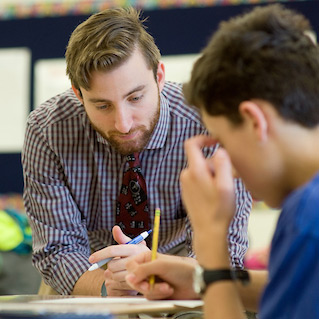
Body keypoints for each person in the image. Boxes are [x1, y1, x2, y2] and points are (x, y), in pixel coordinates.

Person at [22, 7, 252, 297]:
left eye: (135, 97)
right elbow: (57, 250)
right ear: (78, 94)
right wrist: (109, 286)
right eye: (102, 105)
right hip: (91, 275)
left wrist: (157, 274)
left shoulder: (208, 123)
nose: (123, 123)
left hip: (186, 269)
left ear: (159, 76)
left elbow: (225, 254)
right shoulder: (47, 130)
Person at [126, 4, 319, 319]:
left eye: (222, 141)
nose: (224, 161)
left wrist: (212, 236)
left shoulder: (307, 216)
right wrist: (200, 279)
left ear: (255, 122)